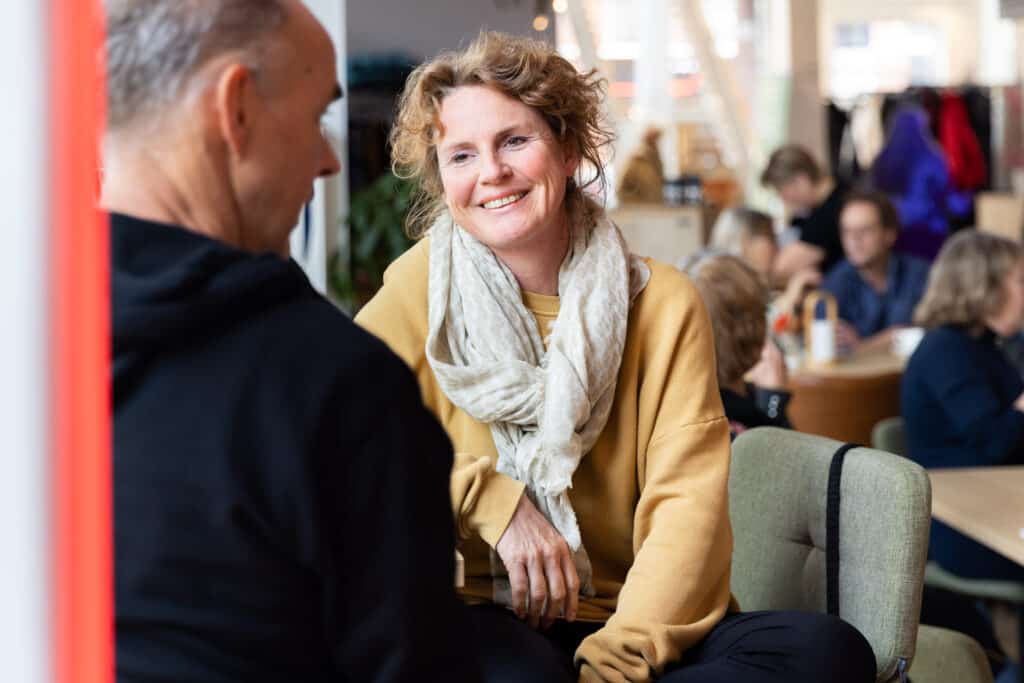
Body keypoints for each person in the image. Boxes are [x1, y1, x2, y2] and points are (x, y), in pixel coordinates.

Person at [356, 30, 875, 683]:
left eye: (515, 141)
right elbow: (346, 443)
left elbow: (685, 507)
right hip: (491, 610)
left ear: (569, 149)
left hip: (642, 615)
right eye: (462, 155)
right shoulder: (415, 289)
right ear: (444, 178)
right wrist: (491, 499)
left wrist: (618, 657)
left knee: (828, 650)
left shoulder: (662, 302)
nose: (491, 172)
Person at [103, 2, 478, 681]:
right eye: (316, 119)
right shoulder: (337, 389)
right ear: (236, 108)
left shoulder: (33, 344)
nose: (330, 160)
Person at [902, 230, 1024, 584]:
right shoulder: (946, 350)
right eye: (1019, 281)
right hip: (964, 525)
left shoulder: (985, 345)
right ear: (984, 288)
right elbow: (997, 441)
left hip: (999, 500)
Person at [684, 252, 792, 438]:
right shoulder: (723, 417)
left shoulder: (685, 399)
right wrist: (774, 401)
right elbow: (781, 461)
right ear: (752, 327)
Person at [823, 190, 930, 353]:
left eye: (865, 230)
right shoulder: (834, 282)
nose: (854, 239)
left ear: (889, 234)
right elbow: (829, 343)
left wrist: (863, 346)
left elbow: (927, 334)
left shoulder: (920, 274)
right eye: (847, 231)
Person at [760, 144, 848, 280]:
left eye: (781, 190)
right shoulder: (838, 192)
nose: (783, 199)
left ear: (800, 181)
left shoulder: (830, 214)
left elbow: (781, 269)